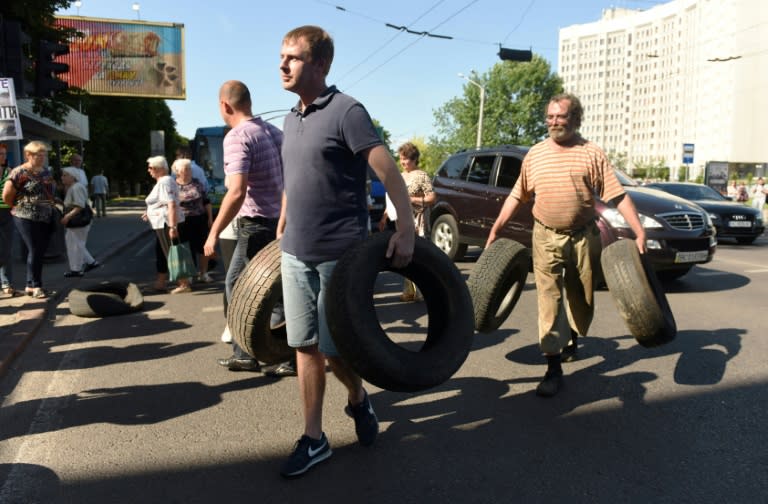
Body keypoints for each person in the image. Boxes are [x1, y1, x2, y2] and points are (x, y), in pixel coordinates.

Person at [276, 25, 415, 478]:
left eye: (293, 58)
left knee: (336, 353)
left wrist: (407, 229)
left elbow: (390, 173)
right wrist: (282, 221)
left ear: (320, 65)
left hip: (340, 255)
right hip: (295, 252)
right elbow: (294, 179)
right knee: (304, 347)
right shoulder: (290, 118)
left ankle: (357, 399)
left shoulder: (346, 111)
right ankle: (314, 438)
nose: (282, 65)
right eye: (281, 57)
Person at [486, 93, 647, 398]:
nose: (554, 122)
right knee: (548, 299)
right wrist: (498, 225)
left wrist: (638, 231)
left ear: (576, 119)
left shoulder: (592, 153)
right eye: (550, 116)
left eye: (560, 116)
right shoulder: (535, 154)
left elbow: (617, 195)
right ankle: (553, 367)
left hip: (583, 236)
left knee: (580, 297)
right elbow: (517, 195)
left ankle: (571, 334)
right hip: (545, 235)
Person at [203, 80, 286, 373]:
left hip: (256, 224)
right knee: (267, 289)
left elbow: (236, 191)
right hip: (281, 221)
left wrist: (213, 231)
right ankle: (267, 355)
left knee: (245, 289)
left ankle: (258, 354)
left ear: (225, 106)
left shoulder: (237, 136)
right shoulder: (275, 132)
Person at [378, 142, 436, 302]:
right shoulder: (400, 176)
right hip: (402, 220)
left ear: (414, 159)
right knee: (405, 253)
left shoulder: (421, 175)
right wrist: (384, 216)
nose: (403, 163)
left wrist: (412, 199)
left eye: (406, 159)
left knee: (418, 255)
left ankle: (422, 290)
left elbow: (432, 198)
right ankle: (409, 290)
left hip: (419, 222)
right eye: (401, 159)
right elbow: (392, 198)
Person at [1, 141, 58, 299]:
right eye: (38, 155)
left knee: (39, 251)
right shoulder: (19, 172)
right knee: (34, 249)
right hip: (25, 216)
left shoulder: (45, 171)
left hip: (45, 216)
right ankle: (36, 285)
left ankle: (30, 285)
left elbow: (49, 191)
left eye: (43, 155)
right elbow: (6, 195)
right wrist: (19, 207)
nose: (42, 158)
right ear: (28, 155)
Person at [142, 155, 192, 294]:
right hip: (161, 222)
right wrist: (150, 212)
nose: (149, 170)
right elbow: (163, 203)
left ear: (160, 169)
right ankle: (160, 282)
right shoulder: (164, 181)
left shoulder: (165, 182)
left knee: (172, 253)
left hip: (166, 223)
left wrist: (172, 226)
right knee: (162, 253)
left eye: (151, 167)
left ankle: (184, 283)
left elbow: (171, 204)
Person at [173, 158, 213, 282]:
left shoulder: (197, 183)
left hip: (199, 219)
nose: (188, 171)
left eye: (189, 168)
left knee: (203, 247)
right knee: (185, 248)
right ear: (178, 171)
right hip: (182, 221)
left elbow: (206, 201)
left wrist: (210, 219)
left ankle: (203, 273)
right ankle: (189, 274)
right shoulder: (173, 186)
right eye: (185, 169)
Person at [60, 167, 99, 277]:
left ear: (73, 177)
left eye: (65, 175)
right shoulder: (74, 187)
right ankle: (90, 263)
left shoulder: (76, 188)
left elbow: (79, 206)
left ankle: (76, 269)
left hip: (78, 220)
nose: (62, 177)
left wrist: (67, 216)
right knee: (76, 243)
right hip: (79, 220)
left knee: (75, 245)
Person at [0, 143, 17, 298]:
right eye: (0, 153)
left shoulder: (9, 172)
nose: (2, 156)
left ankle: (7, 282)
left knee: (6, 249)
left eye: (4, 153)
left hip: (6, 213)